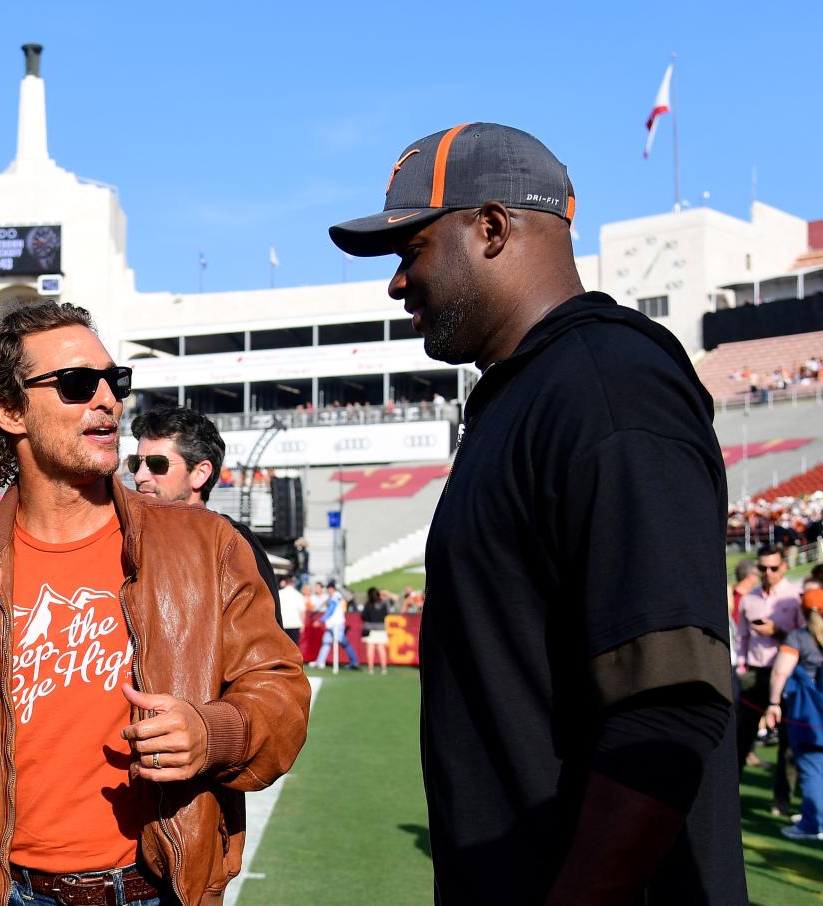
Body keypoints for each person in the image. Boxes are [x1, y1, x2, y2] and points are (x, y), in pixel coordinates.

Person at [330, 122, 747, 903]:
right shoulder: (530, 393)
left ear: (490, 228)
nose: (395, 283)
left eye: (410, 249)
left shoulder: (607, 386)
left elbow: (666, 707)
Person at [0, 301, 309, 906]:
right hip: (11, 894)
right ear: (9, 411)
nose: (107, 398)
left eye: (114, 380)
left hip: (157, 889)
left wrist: (212, 732)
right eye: (78, 384)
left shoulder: (206, 543)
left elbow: (280, 694)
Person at [128, 404, 282, 623]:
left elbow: (265, 649)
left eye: (157, 464)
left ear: (200, 474)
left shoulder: (233, 545)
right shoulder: (127, 539)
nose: (140, 476)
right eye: (136, 463)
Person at [736, 543, 803, 813]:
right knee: (741, 738)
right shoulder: (750, 598)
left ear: (783, 566)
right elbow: (742, 636)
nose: (768, 573)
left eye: (773, 568)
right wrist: (741, 666)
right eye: (763, 568)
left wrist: (777, 630)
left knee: (787, 743)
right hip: (754, 673)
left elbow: (804, 639)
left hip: (787, 676)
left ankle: (781, 800)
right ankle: (729, 797)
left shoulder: (794, 596)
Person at [766, 583, 823, 841]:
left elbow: (780, 672)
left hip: (808, 713)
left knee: (811, 767)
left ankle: (813, 823)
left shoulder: (799, 637)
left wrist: (773, 702)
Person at [314, 580, 360, 670]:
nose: (327, 590)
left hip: (336, 625)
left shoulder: (335, 596)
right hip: (332, 625)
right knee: (326, 642)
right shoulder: (335, 596)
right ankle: (320, 662)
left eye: (328, 589)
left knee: (344, 643)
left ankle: (354, 661)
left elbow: (331, 610)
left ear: (331, 589)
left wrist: (320, 620)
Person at [360, 586, 389, 675]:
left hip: (370, 629)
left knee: (370, 649)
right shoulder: (383, 604)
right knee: (381, 649)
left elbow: (363, 616)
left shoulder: (368, 604)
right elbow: (386, 614)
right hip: (381, 629)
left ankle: (371, 669)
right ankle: (384, 669)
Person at [277, 575, 305, 646]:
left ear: (285, 583)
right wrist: (303, 624)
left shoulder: (279, 593)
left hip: (283, 624)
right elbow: (302, 611)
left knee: (283, 646)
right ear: (293, 583)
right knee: (294, 646)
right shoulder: (298, 595)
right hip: (295, 624)